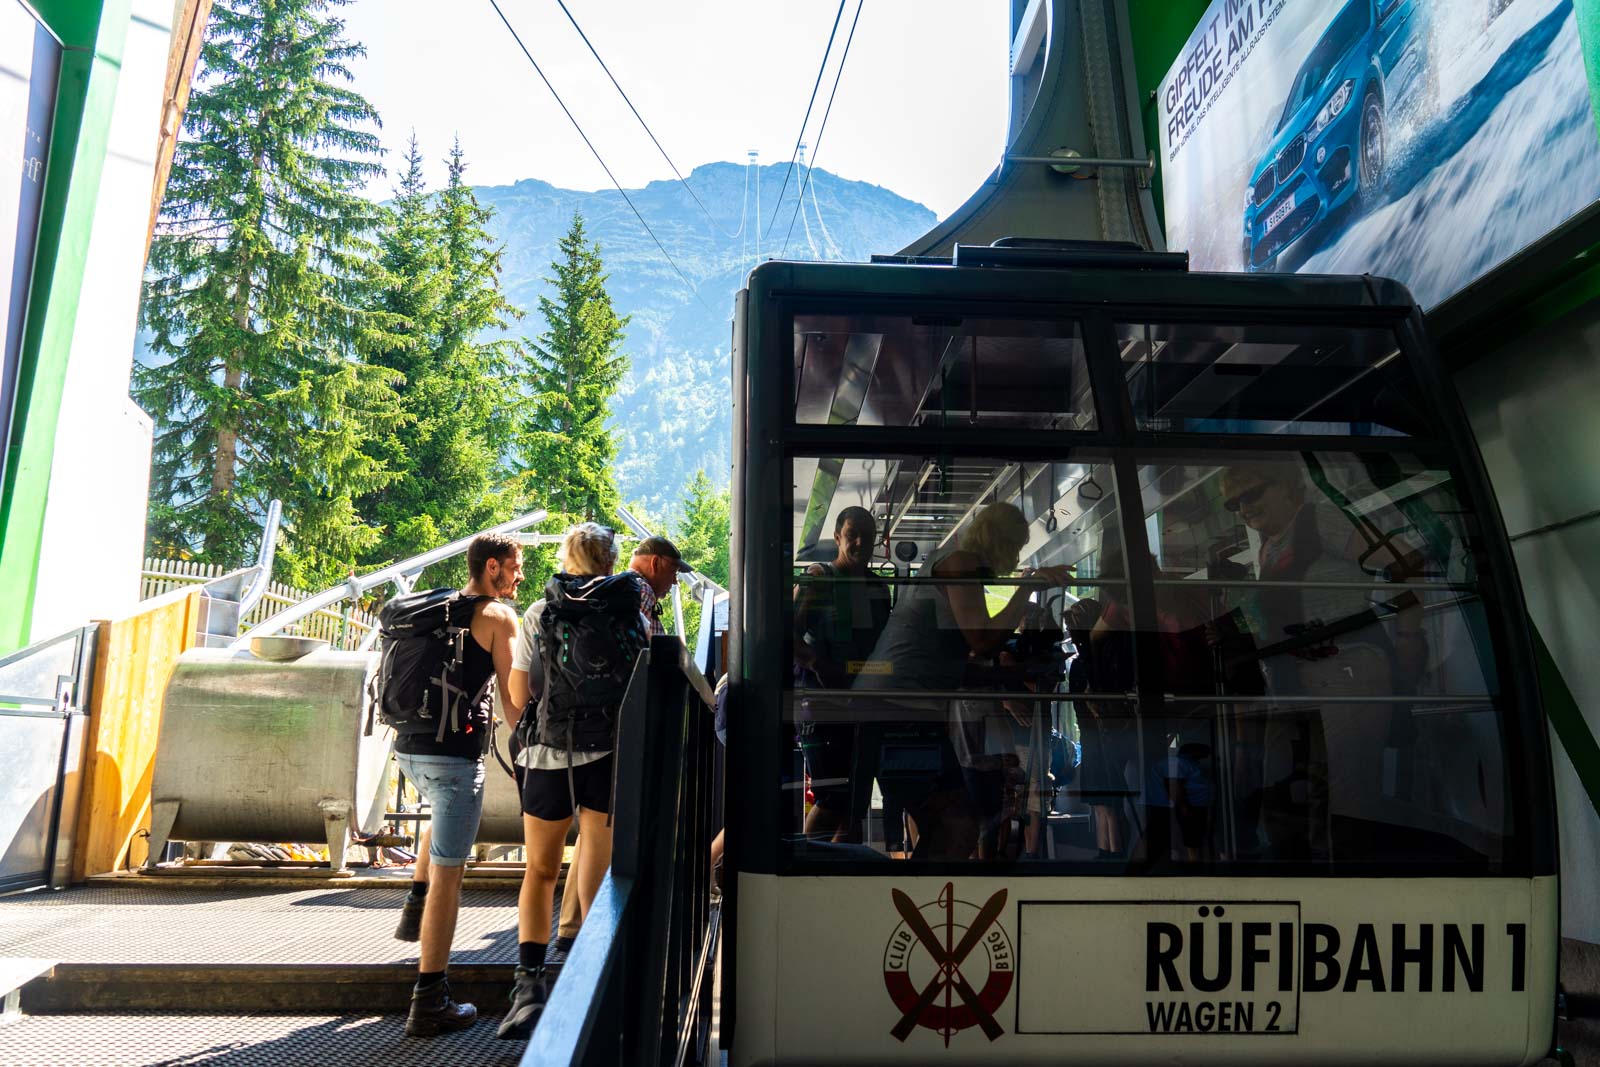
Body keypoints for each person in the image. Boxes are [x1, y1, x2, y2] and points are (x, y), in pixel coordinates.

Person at [1216, 462, 1425, 861]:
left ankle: (1348, 890)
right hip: (1295, 683)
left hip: (1346, 670)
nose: (1243, 508)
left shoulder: (1319, 520)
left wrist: (1408, 636)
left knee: (1344, 797)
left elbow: (1406, 565)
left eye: (1251, 493)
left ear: (1286, 486)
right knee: (1290, 793)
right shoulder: (1270, 544)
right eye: (1233, 504)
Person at [854, 502, 1071, 859]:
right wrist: (1025, 588)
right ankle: (920, 897)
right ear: (1001, 542)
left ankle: (920, 895)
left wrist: (1012, 674)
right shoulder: (961, 564)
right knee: (958, 822)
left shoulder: (951, 564)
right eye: (1015, 546)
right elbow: (982, 640)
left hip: (895, 707)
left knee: (950, 821)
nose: (1015, 557)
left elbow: (951, 662)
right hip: (900, 708)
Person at [500, 523, 646, 1040]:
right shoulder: (632, 612)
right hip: (607, 755)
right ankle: (591, 979)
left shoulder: (540, 612)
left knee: (539, 872)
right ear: (609, 563)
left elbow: (520, 692)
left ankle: (528, 987)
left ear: (567, 559)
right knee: (596, 868)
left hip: (547, 756)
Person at [393, 534, 522, 1037]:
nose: (519, 576)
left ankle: (413, 906)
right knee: (453, 871)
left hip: (408, 752)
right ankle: (430, 999)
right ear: (492, 567)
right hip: (452, 762)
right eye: (514, 567)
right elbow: (513, 705)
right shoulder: (497, 618)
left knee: (440, 820)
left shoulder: (440, 607)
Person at [548, 536, 686, 961]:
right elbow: (644, 657)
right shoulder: (635, 591)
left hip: (571, 727)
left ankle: (571, 928)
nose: (674, 583)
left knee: (589, 839)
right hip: (617, 728)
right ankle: (593, 941)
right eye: (674, 573)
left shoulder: (597, 597)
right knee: (601, 836)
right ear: (658, 563)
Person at [792, 506, 892, 842]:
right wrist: (820, 666)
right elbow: (788, 636)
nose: (861, 542)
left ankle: (840, 878)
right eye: (852, 534)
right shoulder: (819, 577)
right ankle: (806, 872)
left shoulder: (879, 589)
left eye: (868, 535)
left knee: (856, 804)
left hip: (866, 706)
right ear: (838, 537)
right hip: (822, 706)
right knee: (833, 798)